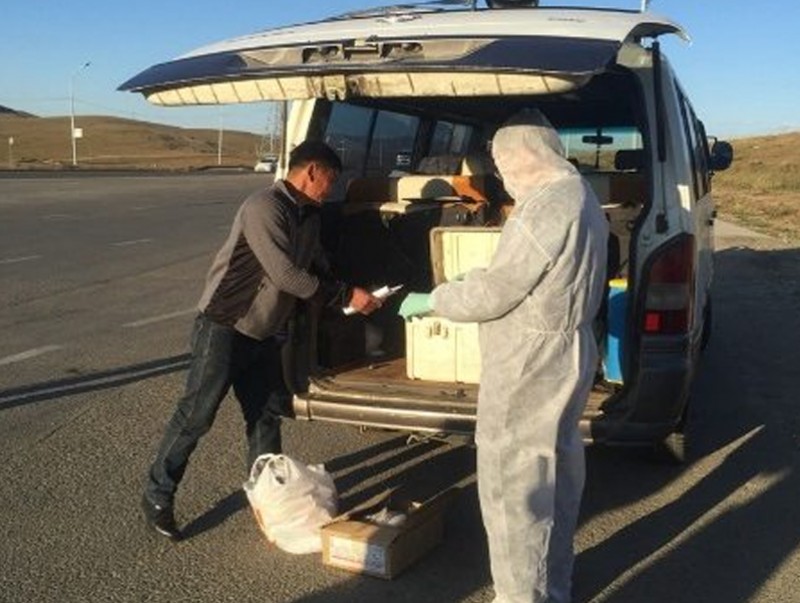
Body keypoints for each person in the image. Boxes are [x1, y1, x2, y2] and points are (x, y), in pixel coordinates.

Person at [400, 109, 608, 602]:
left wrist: (437, 299)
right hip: (566, 348)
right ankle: (552, 587)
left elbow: (497, 292)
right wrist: (471, 281)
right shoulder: (579, 194)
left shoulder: (545, 206)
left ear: (522, 157)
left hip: (529, 363)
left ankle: (522, 596)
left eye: (502, 164)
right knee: (554, 475)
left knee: (515, 489)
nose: (502, 175)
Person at [142, 140, 381, 541]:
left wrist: (356, 291)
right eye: (331, 179)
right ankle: (157, 496)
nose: (333, 189)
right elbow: (284, 274)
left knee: (265, 416)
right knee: (197, 415)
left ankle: (270, 500)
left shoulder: (309, 215)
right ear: (311, 172)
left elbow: (317, 264)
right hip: (225, 327)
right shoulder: (264, 207)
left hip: (265, 332)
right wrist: (343, 295)